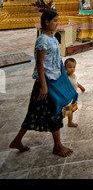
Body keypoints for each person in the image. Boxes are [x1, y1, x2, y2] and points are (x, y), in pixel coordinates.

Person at [9, 10, 73, 157]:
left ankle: (17, 141)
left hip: (53, 80)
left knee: (33, 113)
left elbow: (57, 60)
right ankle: (57, 146)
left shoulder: (52, 38)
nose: (57, 23)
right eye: (55, 21)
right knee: (54, 112)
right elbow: (39, 63)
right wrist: (43, 85)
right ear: (46, 22)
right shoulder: (43, 40)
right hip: (45, 83)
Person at [63, 58, 85, 128]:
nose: (72, 69)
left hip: (73, 97)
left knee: (71, 110)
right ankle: (58, 121)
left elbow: (76, 82)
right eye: (69, 67)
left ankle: (70, 122)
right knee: (66, 111)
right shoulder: (65, 78)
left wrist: (80, 87)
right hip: (67, 98)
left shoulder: (74, 75)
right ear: (65, 68)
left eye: (74, 67)